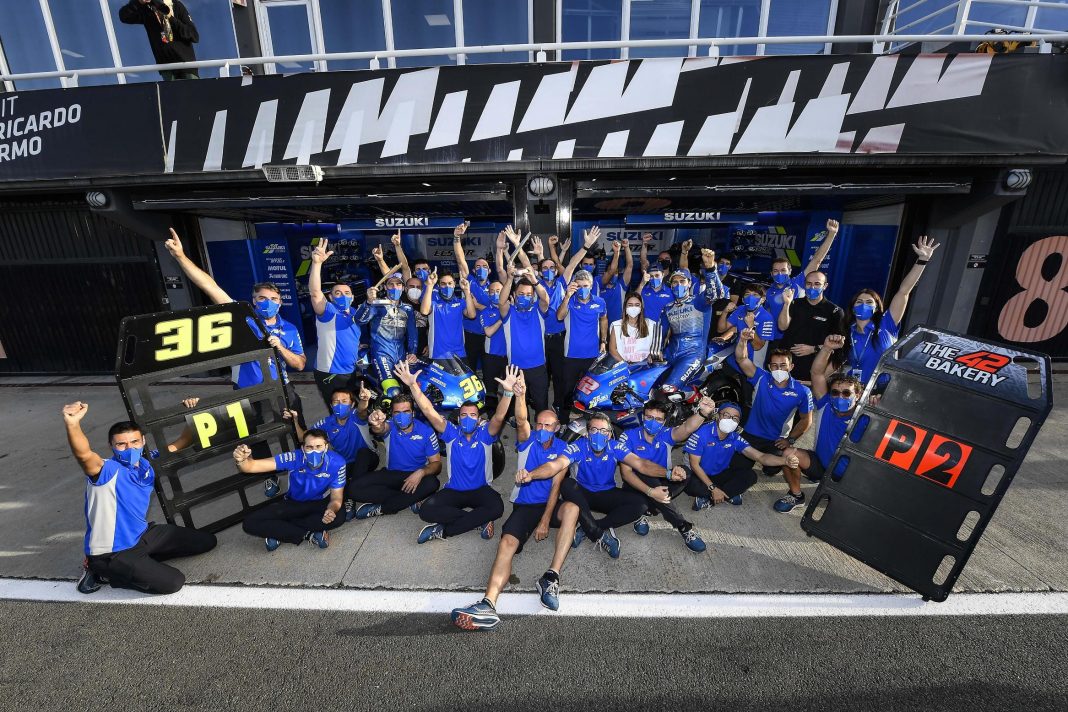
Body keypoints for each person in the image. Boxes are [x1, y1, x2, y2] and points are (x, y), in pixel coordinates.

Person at [164, 229, 306, 452]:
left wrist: (280, 348)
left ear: (280, 302)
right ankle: (266, 470)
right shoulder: (242, 318)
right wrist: (181, 256)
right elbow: (210, 286)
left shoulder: (289, 328)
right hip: (247, 392)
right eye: (262, 298)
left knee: (297, 432)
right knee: (255, 440)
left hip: (281, 388)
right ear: (253, 301)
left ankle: (301, 464)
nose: (267, 303)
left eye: (273, 299)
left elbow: (300, 364)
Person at [450, 395, 581, 629]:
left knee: (572, 508)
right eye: (539, 424)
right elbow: (521, 420)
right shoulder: (528, 440)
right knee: (507, 543)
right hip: (526, 505)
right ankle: (488, 603)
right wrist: (519, 395)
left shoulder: (563, 449)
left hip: (549, 505)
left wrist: (545, 520)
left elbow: (555, 485)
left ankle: (551, 577)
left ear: (557, 428)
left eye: (548, 425)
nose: (542, 429)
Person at [64, 401, 217, 595]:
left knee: (206, 541)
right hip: (112, 552)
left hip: (142, 535)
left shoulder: (147, 462)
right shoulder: (106, 470)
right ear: (111, 446)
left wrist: (192, 412)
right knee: (173, 582)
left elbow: (182, 441)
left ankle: (139, 563)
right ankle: (100, 571)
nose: (129, 448)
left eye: (134, 442)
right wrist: (73, 424)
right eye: (121, 444)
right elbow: (84, 455)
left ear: (143, 441)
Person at [394, 362, 518, 543]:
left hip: (481, 490)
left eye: (473, 415)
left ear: (479, 419)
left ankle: (444, 531)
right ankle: (479, 520)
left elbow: (499, 417)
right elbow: (428, 410)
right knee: (426, 511)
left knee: (497, 508)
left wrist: (507, 393)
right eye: (464, 415)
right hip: (454, 490)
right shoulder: (451, 433)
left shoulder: (485, 434)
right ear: (458, 419)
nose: (468, 418)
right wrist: (413, 385)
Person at [538, 412, 668, 558]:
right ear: (587, 433)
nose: (599, 435)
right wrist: (532, 474)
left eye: (603, 431)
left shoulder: (615, 447)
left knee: (641, 505)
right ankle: (598, 534)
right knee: (567, 483)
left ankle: (589, 527)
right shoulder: (578, 446)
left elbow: (641, 464)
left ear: (609, 434)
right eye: (594, 430)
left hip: (607, 493)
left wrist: (668, 473)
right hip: (582, 495)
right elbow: (558, 464)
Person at [617, 397, 716, 552]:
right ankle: (683, 526)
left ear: (664, 422)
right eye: (649, 417)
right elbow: (626, 474)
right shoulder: (628, 436)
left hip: (663, 480)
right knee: (645, 474)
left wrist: (703, 413)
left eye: (658, 419)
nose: (653, 422)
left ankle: (647, 509)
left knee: (685, 472)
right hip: (637, 485)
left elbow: (687, 428)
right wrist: (651, 491)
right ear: (643, 417)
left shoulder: (666, 434)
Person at [776, 335, 861, 512]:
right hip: (821, 466)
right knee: (788, 454)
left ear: (858, 396)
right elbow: (816, 374)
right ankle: (796, 495)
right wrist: (827, 348)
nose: (840, 396)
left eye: (847, 393)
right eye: (835, 392)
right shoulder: (825, 404)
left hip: (848, 478)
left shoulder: (865, 417)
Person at [845, 236, 941, 383]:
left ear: (877, 308)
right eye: (859, 302)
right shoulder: (847, 331)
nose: (864, 305)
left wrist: (922, 260)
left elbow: (904, 291)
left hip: (881, 391)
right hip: (852, 390)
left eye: (869, 302)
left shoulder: (886, 324)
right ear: (852, 308)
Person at [234, 430, 347, 550]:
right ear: (303, 448)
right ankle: (308, 534)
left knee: (339, 516)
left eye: (319, 446)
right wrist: (241, 460)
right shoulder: (294, 457)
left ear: (326, 447)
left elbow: (336, 498)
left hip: (319, 503)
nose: (314, 451)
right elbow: (251, 466)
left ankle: (279, 530)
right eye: (309, 447)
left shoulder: (338, 462)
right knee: (249, 523)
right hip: (294, 503)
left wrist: (331, 510)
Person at [282, 385, 378, 519]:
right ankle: (348, 496)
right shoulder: (326, 423)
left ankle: (350, 495)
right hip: (345, 464)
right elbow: (303, 437)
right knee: (335, 469)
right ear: (331, 405)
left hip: (368, 458)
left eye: (344, 401)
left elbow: (362, 411)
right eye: (336, 402)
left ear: (352, 404)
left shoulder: (355, 416)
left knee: (363, 453)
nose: (340, 405)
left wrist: (364, 400)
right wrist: (295, 421)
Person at [684, 402, 799, 510]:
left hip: (719, 473)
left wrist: (785, 461)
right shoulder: (702, 433)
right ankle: (723, 494)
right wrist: (713, 488)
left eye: (735, 418)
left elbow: (761, 457)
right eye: (726, 415)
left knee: (750, 476)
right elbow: (694, 465)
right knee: (688, 484)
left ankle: (709, 499)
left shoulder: (735, 438)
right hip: (698, 474)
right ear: (718, 416)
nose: (730, 420)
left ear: (738, 423)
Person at [733, 332, 814, 478]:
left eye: (783, 365)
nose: (779, 369)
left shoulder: (802, 391)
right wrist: (743, 340)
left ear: (791, 367)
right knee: (737, 467)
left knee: (772, 470)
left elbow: (806, 420)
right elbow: (741, 359)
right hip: (751, 434)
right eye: (775, 366)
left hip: (776, 440)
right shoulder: (761, 378)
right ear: (770, 367)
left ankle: (769, 465)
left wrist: (790, 440)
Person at [349, 394, 442, 519]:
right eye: (397, 412)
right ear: (392, 415)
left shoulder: (426, 432)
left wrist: (422, 472)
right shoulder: (391, 425)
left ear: (413, 413)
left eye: (406, 411)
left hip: (415, 478)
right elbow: (381, 429)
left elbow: (436, 464)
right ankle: (410, 499)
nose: (401, 416)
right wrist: (376, 424)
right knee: (353, 489)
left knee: (432, 483)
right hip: (391, 475)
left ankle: (383, 508)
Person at [485, 266, 552, 414]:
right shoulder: (509, 313)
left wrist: (534, 280)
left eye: (529, 294)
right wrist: (509, 279)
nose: (525, 297)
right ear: (514, 295)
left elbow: (545, 299)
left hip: (538, 368)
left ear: (533, 296)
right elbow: (501, 302)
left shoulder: (538, 310)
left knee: (541, 406)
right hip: (515, 370)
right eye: (521, 294)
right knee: (519, 409)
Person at [653, 258, 724, 390]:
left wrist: (710, 270)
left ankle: (696, 399)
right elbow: (661, 334)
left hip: (693, 354)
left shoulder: (698, 301)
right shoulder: (668, 308)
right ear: (671, 285)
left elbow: (717, 294)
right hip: (671, 353)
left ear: (689, 283)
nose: (678, 285)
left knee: (669, 389)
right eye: (675, 282)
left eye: (682, 281)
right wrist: (655, 352)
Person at [307, 239, 363, 407]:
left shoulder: (355, 312)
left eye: (347, 293)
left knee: (351, 410)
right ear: (330, 297)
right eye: (338, 293)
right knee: (339, 412)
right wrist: (317, 264)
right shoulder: (328, 312)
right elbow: (315, 292)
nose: (343, 295)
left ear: (352, 297)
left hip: (350, 371)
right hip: (331, 373)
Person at [765, 219, 841, 340]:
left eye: (783, 270)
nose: (780, 273)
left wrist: (831, 234)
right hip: (774, 339)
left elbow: (817, 260)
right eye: (776, 271)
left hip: (796, 338)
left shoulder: (798, 282)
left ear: (790, 271)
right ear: (771, 273)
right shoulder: (769, 292)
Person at [555, 269, 608, 422]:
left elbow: (604, 319)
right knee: (567, 389)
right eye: (579, 286)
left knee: (591, 391)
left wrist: (603, 341)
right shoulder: (570, 301)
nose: (583, 289)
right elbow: (559, 316)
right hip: (571, 355)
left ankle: (590, 421)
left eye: (585, 286)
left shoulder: (600, 302)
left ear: (591, 286)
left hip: (592, 355)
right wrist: (567, 296)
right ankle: (563, 421)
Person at [777, 270, 847, 383]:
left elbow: (839, 347)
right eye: (809, 283)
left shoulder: (835, 312)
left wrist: (813, 349)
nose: (812, 287)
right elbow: (782, 327)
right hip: (786, 369)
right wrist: (786, 304)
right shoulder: (794, 303)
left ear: (825, 286)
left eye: (817, 284)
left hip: (811, 372)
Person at [356, 274, 418, 398]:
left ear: (403, 288)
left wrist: (412, 352)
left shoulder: (408, 308)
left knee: (414, 388)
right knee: (393, 391)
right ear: (385, 287)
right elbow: (360, 320)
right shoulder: (377, 304)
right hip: (381, 354)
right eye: (391, 284)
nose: (395, 288)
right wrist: (368, 302)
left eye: (398, 284)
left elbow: (412, 332)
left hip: (401, 354)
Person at [119, 0, 199, 81]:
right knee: (170, 89)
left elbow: (194, 35)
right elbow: (124, 16)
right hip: (166, 68)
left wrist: (170, 17)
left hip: (186, 65)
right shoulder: (147, 10)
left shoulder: (176, 5)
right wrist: (138, 2)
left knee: (192, 88)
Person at [452, 221, 492, 376]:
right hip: (470, 334)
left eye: (484, 266)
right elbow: (460, 260)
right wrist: (457, 238)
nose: (481, 269)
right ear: (474, 270)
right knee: (469, 370)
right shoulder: (470, 281)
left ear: (489, 271)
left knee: (489, 372)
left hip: (489, 335)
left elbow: (500, 309)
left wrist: (480, 306)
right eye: (478, 267)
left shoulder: (495, 288)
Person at [420, 268, 477, 360]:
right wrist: (430, 285)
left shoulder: (460, 303)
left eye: (450, 283)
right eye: (443, 284)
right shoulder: (434, 303)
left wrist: (467, 291)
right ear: (438, 286)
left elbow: (472, 315)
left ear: (454, 284)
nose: (447, 286)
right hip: (438, 354)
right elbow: (424, 311)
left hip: (459, 353)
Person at [478, 280, 508, 411]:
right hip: (491, 356)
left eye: (498, 291)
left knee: (510, 389)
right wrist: (502, 319)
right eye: (492, 291)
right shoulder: (485, 312)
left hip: (510, 356)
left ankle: (510, 415)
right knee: (491, 391)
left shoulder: (511, 308)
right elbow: (488, 332)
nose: (495, 294)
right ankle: (491, 416)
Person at [608, 292, 657, 364]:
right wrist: (625, 364)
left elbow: (655, 348)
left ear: (641, 308)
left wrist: (652, 356)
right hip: (624, 366)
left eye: (637, 305)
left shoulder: (651, 324)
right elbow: (612, 350)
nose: (634, 308)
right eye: (630, 305)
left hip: (645, 367)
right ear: (625, 307)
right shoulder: (616, 325)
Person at [600, 238, 635, 324]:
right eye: (611, 272)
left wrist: (626, 247)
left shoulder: (621, 285)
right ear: (605, 273)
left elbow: (629, 265)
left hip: (618, 327)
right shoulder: (599, 286)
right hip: (602, 326)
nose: (613, 274)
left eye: (615, 272)